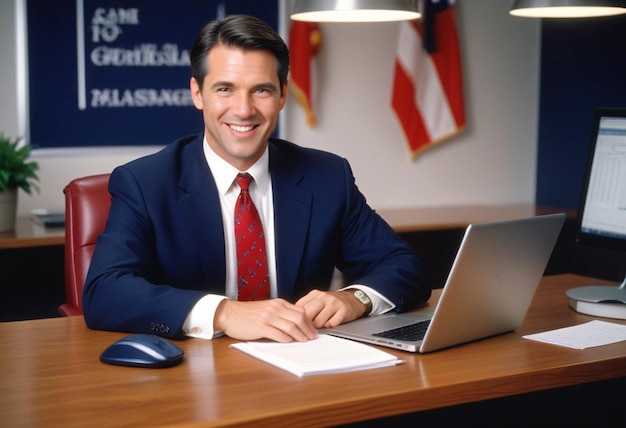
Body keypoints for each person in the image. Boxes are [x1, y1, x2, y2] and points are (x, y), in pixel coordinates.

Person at [82, 14, 431, 342]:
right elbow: (105, 291)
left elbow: (405, 267)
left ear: (282, 95)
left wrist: (356, 298)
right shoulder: (145, 183)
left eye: (261, 90)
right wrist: (224, 313)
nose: (244, 109)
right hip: (189, 379)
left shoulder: (326, 177)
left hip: (302, 367)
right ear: (197, 93)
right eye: (225, 89)